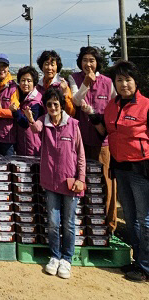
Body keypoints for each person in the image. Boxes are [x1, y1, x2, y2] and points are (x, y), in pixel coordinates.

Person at [24, 87, 86, 280]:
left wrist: (81, 179)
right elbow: (35, 130)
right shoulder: (44, 122)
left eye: (56, 104)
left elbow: (81, 156)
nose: (52, 107)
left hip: (70, 182)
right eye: (49, 104)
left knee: (68, 223)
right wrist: (31, 119)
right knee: (53, 221)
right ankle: (55, 256)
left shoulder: (73, 125)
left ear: (61, 105)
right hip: (50, 181)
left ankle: (67, 258)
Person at [103, 60, 149, 282]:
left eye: (127, 80)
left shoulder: (146, 105)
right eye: (119, 80)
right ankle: (137, 259)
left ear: (135, 81)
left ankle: (145, 266)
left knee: (144, 218)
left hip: (141, 170)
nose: (123, 84)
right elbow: (107, 130)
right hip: (120, 167)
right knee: (131, 219)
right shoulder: (112, 106)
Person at [68, 46, 118, 234]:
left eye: (92, 60)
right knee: (83, 182)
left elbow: (114, 105)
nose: (88, 64)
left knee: (107, 184)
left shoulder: (108, 82)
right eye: (85, 60)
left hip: (103, 143)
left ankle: (109, 226)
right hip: (80, 141)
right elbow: (75, 101)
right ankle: (85, 226)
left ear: (98, 62)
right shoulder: (75, 78)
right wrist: (86, 84)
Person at [0, 54, 19, 156]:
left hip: (7, 138)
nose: (1, 69)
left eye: (4, 66)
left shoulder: (13, 87)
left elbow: (14, 112)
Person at [12, 66, 44, 156]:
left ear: (34, 83)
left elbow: (26, 123)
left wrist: (16, 111)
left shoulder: (36, 102)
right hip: (22, 145)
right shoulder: (22, 98)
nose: (25, 83)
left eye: (29, 81)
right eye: (23, 80)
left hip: (32, 146)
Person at [36, 50, 75, 116]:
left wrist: (65, 93)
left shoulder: (62, 85)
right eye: (46, 64)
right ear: (41, 66)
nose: (49, 68)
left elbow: (71, 112)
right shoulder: (37, 86)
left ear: (57, 67)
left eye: (52, 65)